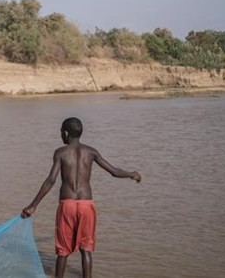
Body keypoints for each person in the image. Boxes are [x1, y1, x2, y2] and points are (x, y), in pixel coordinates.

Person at [21, 117, 141, 278]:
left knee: (63, 251)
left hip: (67, 204)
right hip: (86, 205)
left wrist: (33, 205)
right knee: (86, 249)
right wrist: (131, 174)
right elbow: (114, 171)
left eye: (61, 132)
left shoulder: (61, 152)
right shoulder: (91, 152)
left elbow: (51, 180)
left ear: (65, 133)